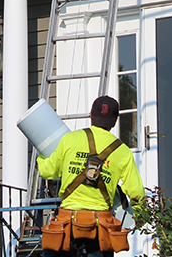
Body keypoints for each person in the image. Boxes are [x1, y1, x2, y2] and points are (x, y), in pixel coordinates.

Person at [37, 96, 145, 257]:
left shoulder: (70, 139)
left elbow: (47, 171)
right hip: (100, 229)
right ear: (114, 121)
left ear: (90, 115)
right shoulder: (123, 152)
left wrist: (41, 153)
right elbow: (136, 192)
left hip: (67, 226)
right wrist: (141, 215)